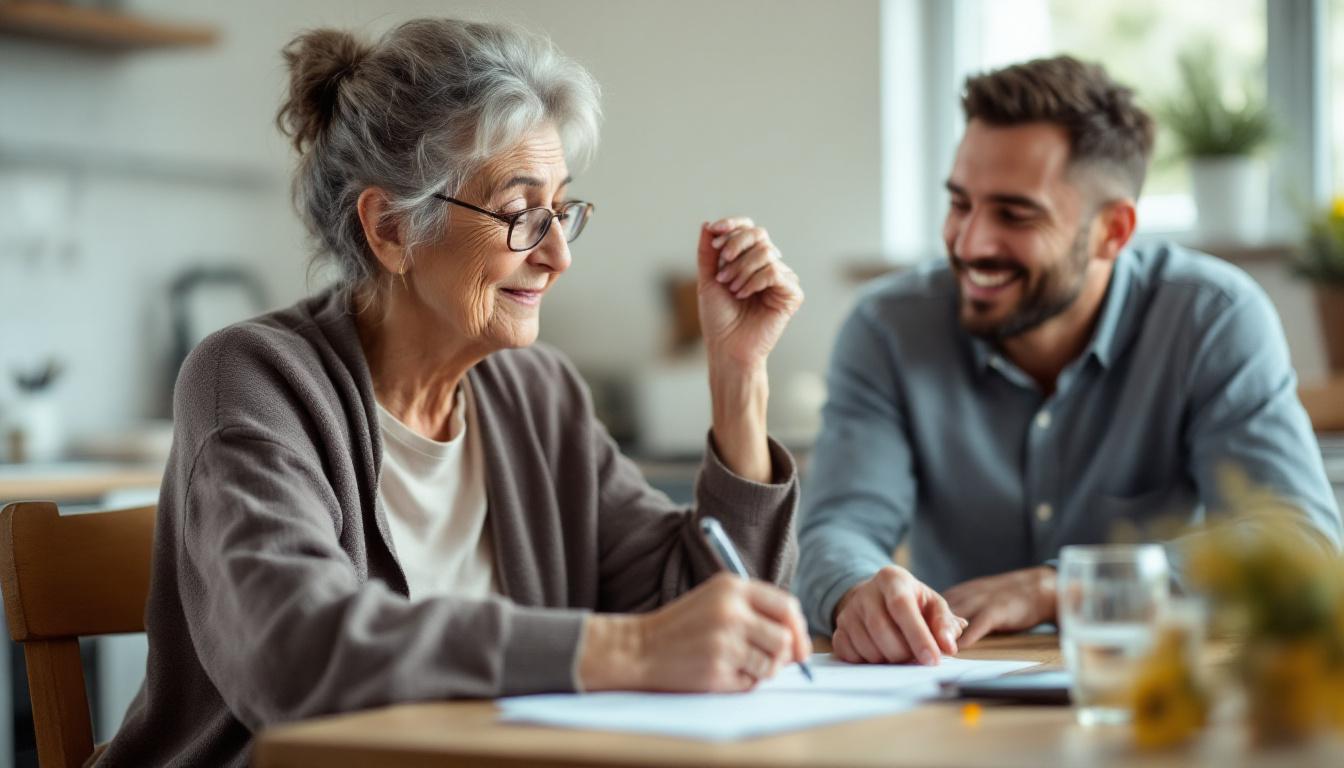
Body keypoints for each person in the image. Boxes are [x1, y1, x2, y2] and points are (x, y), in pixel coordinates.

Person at [97, 18, 808, 767]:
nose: (559, 255)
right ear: (392, 228)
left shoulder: (539, 395)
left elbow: (710, 611)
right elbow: (292, 650)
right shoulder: (254, 380)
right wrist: (626, 647)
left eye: (561, 209)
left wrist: (738, 380)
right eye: (520, 213)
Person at [795, 55, 1341, 666]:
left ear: (1113, 231)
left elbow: (1299, 545)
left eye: (1015, 214)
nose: (970, 243)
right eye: (960, 204)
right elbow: (836, 529)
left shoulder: (1211, 318)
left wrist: (1061, 587)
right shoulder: (887, 328)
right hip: (951, 693)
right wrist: (857, 592)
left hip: (1149, 697)